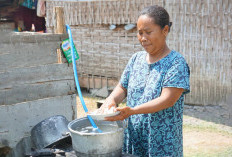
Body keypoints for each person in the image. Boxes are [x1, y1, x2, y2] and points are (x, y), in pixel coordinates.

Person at [99, 5, 190, 157]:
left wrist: (133, 111)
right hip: (135, 137)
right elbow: (123, 87)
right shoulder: (136, 59)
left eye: (148, 32)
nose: (143, 38)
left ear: (165, 30)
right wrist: (111, 100)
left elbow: (167, 99)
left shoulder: (176, 62)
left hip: (162, 143)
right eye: (140, 33)